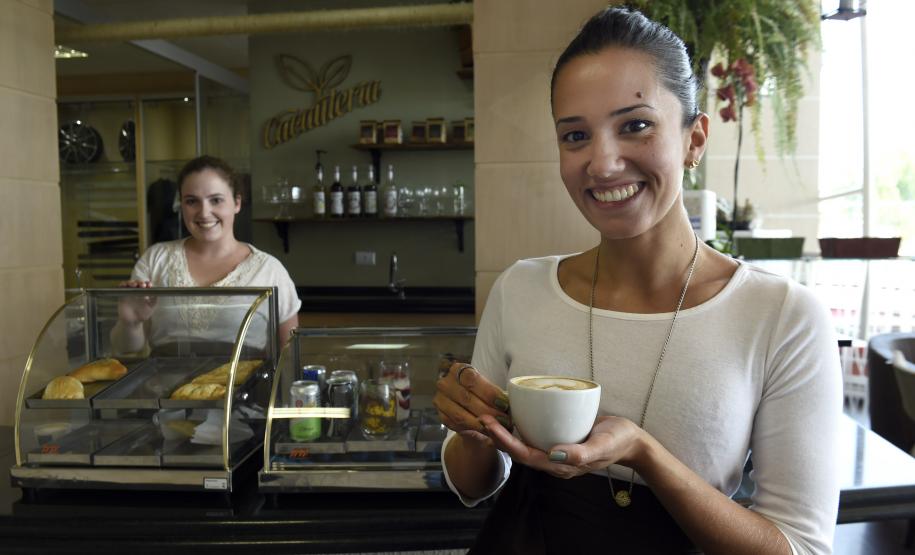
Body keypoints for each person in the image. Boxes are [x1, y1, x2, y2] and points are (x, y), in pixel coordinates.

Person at [433, 7, 841, 555]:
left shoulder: (780, 315)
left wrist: (642, 451)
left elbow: (800, 547)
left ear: (694, 139)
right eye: (575, 135)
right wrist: (471, 428)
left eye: (636, 125)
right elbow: (473, 483)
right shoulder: (521, 289)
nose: (602, 164)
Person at [112, 155, 301, 353]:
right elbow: (126, 349)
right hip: (165, 384)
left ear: (237, 203)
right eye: (192, 201)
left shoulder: (270, 269)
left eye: (216, 200)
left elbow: (288, 352)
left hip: (243, 384)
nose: (204, 212)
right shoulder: (155, 259)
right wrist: (130, 323)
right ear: (181, 205)